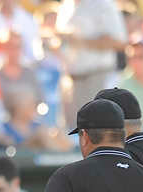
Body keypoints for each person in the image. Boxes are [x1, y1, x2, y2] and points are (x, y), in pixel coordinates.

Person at [54, 0, 127, 130]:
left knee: (95, 129)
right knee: (71, 132)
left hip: (96, 77)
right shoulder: (66, 5)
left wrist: (80, 41)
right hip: (69, 79)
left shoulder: (103, 4)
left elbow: (119, 42)